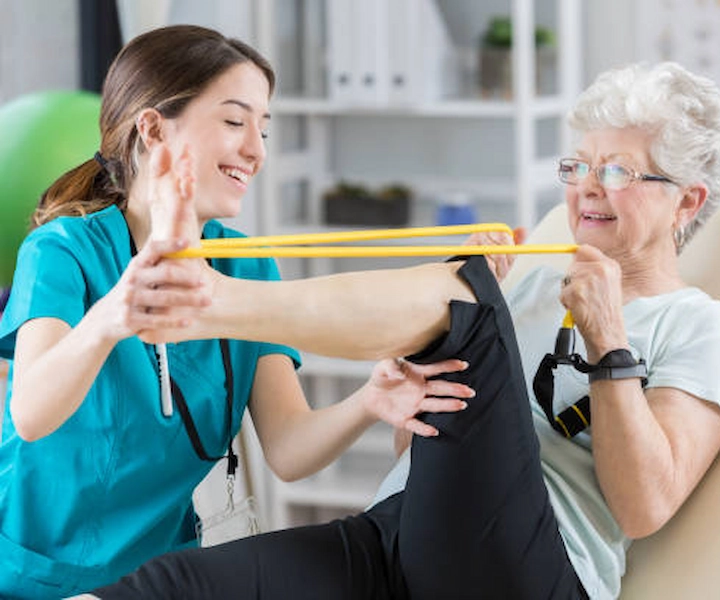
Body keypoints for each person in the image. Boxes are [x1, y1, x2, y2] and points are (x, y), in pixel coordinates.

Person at [82, 60, 720, 599]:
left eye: (617, 172)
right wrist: (411, 375)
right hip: (403, 535)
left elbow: (645, 508)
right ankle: (203, 298)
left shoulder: (703, 326)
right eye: (576, 167)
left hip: (531, 573)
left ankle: (203, 301)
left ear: (686, 200)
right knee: (170, 588)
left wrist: (609, 345)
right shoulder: (533, 282)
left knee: (467, 302)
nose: (585, 190)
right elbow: (416, 445)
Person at [0, 25, 473, 599]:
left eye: (263, 128)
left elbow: (290, 449)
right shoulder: (64, 251)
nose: (257, 149)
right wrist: (112, 317)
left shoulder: (248, 269)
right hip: (34, 577)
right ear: (152, 128)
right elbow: (29, 413)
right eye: (234, 121)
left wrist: (369, 403)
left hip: (161, 580)